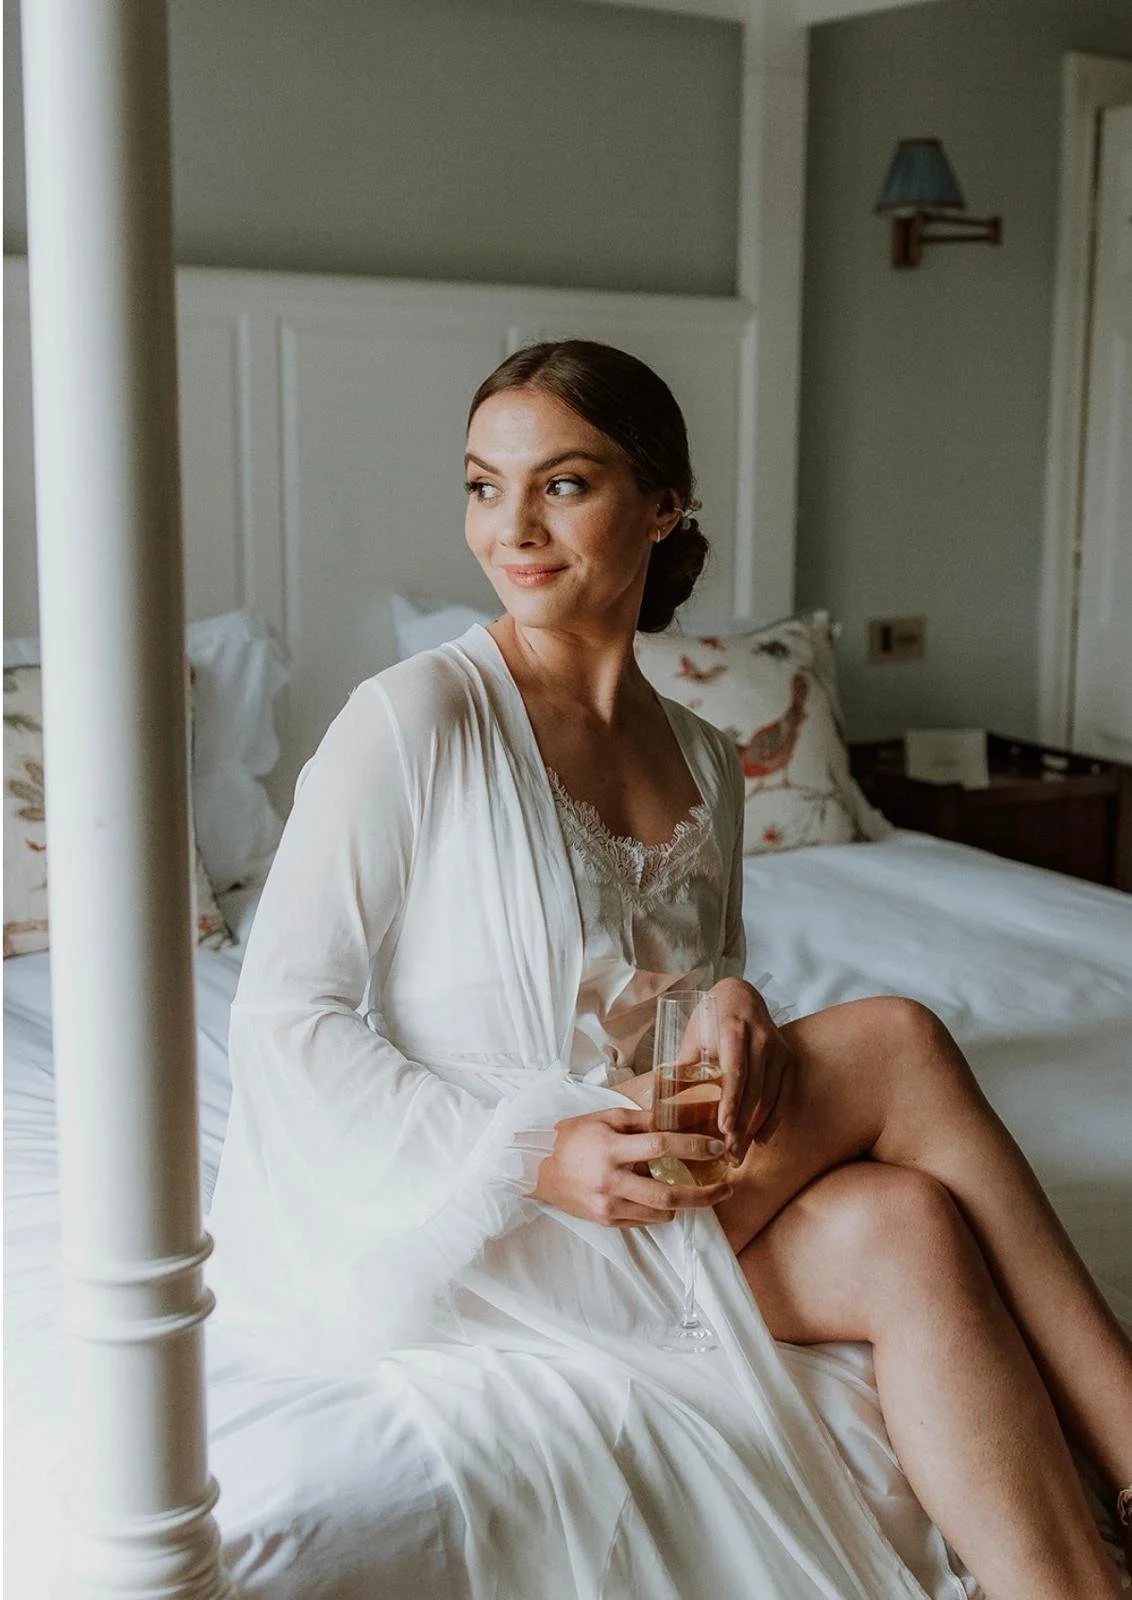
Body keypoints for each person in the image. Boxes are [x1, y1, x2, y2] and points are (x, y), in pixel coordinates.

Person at [209, 340, 1131, 1600]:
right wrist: (538, 1149)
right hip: (497, 1205)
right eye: (484, 485)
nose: (511, 527)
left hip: (662, 1176)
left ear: (663, 502)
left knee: (906, 1225)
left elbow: (686, 984)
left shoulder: (703, 755)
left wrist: (736, 1004)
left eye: (563, 484)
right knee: (900, 1042)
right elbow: (282, 1017)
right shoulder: (415, 719)